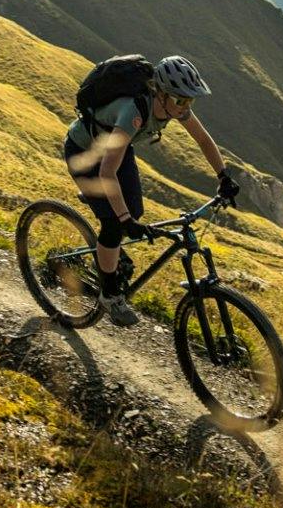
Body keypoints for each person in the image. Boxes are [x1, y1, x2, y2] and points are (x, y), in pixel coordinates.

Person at [64, 55, 228, 326]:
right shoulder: (134, 113)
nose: (185, 107)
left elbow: (203, 139)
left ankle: (110, 252)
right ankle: (109, 294)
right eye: (180, 100)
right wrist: (124, 220)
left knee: (134, 212)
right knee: (116, 223)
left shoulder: (175, 106)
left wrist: (224, 176)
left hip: (117, 150)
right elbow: (106, 173)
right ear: (160, 93)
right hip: (84, 153)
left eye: (190, 100)